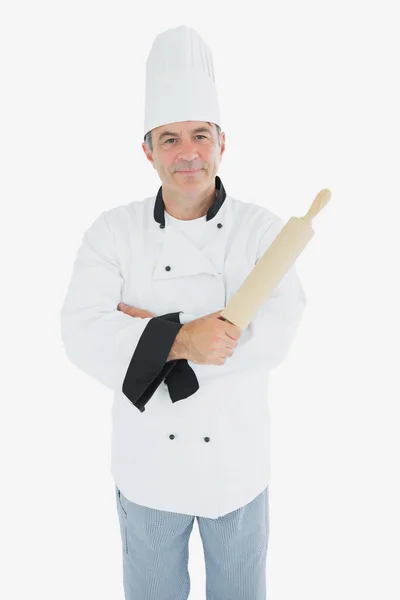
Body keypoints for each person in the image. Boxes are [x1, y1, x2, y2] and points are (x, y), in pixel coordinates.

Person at [59, 25, 307, 600]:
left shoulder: (262, 231)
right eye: (169, 139)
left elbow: (277, 329)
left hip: (236, 471)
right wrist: (186, 338)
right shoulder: (112, 233)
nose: (187, 153)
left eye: (200, 135)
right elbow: (81, 332)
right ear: (147, 150)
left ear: (223, 142)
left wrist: (148, 333)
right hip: (148, 471)